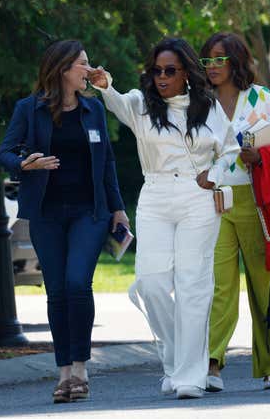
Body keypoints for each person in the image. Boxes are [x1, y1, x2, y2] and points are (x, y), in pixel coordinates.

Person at [88, 38, 239, 399]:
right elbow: (119, 102)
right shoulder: (142, 106)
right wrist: (105, 85)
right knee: (151, 283)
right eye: (156, 71)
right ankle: (176, 361)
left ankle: (189, 376)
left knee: (192, 286)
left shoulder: (207, 105)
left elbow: (230, 149)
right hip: (155, 195)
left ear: (186, 72)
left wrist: (214, 175)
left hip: (197, 197)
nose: (162, 77)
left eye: (170, 71)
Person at [0, 40, 128, 403]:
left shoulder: (93, 110)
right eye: (83, 64)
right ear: (63, 70)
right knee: (56, 291)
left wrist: (117, 207)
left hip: (90, 212)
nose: (89, 70)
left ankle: (81, 369)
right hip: (46, 213)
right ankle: (64, 374)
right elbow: (6, 151)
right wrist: (26, 163)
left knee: (76, 283)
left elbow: (108, 162)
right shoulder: (29, 109)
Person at [199, 32, 270, 391]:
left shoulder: (262, 98)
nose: (213, 66)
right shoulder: (197, 103)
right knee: (219, 287)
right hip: (213, 202)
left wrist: (261, 156)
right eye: (207, 60)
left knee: (263, 285)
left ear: (236, 60)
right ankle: (212, 364)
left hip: (255, 199)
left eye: (219, 58)